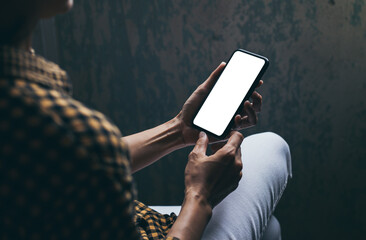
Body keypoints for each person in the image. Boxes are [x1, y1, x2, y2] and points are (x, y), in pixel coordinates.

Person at [0, 1, 292, 239]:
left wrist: (179, 130)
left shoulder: (35, 123)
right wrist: (200, 196)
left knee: (271, 229)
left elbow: (72, 164)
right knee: (272, 145)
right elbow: (86, 155)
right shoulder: (64, 128)